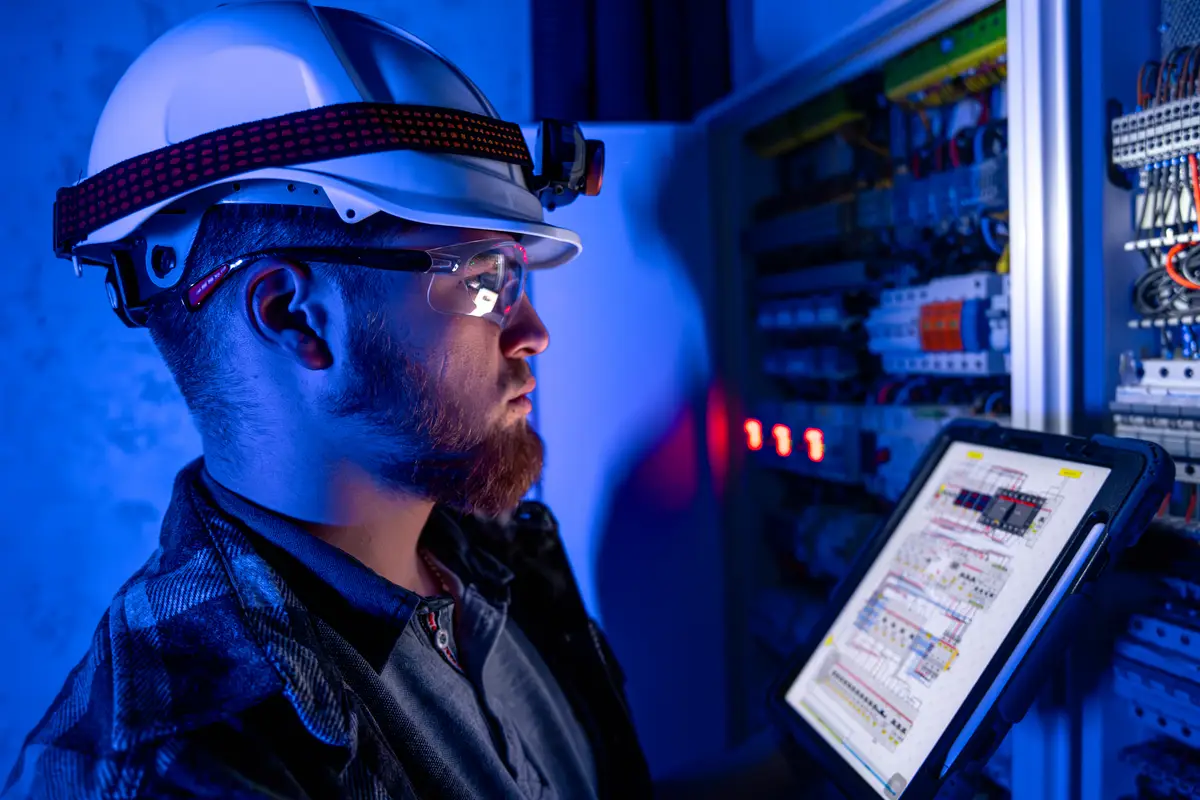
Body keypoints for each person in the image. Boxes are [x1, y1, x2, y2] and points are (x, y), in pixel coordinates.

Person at [5, 2, 803, 798]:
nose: (533, 332)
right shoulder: (181, 768)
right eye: (483, 278)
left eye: (516, 277)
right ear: (296, 319)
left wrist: (801, 765)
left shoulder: (486, 547)